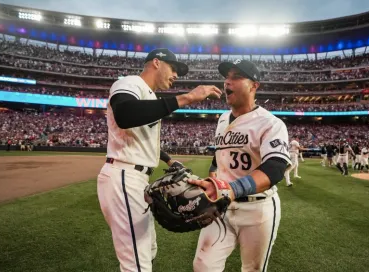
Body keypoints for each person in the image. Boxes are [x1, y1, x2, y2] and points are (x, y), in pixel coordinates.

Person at [96, 48, 222, 272]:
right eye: (173, 69)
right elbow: (125, 115)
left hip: (136, 178)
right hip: (124, 176)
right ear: (156, 62)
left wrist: (168, 159)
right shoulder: (130, 83)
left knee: (149, 249)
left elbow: (143, 137)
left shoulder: (150, 96)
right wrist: (188, 97)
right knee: (136, 262)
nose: (176, 75)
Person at [189, 59, 291, 272]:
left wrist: (231, 189)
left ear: (254, 86)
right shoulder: (222, 119)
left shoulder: (271, 123)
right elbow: (218, 159)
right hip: (222, 207)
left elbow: (275, 168)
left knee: (252, 269)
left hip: (257, 208)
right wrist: (213, 185)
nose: (227, 82)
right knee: (203, 266)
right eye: (226, 77)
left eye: (236, 77)